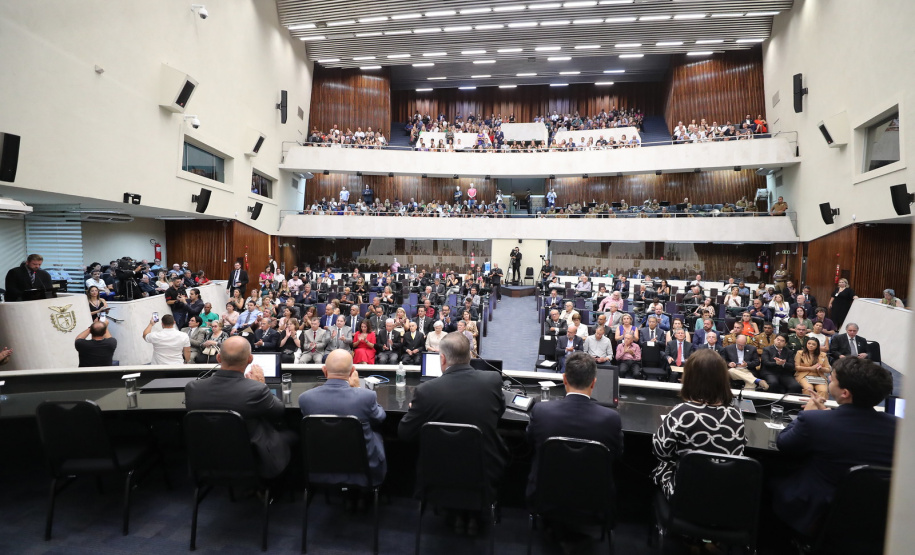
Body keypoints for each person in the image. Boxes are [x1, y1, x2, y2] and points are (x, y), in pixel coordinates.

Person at [398, 332, 508, 534]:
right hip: (483, 472)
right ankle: (472, 515)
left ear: (442, 358)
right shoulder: (492, 380)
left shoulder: (426, 391)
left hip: (438, 473)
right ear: (471, 356)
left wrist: (416, 408)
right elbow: (498, 413)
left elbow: (405, 433)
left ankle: (454, 512)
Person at [774, 357, 897, 537]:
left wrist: (807, 412)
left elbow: (783, 444)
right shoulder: (902, 429)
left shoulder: (814, 421)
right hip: (878, 521)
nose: (830, 380)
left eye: (833, 378)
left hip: (820, 515)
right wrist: (826, 416)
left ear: (845, 393)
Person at [185, 336, 295, 479]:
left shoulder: (192, 388)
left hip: (208, 455)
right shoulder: (256, 390)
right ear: (250, 360)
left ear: (218, 358)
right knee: (292, 434)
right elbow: (279, 411)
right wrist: (261, 384)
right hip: (251, 457)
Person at [526, 352, 622, 500]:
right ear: (593, 383)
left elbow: (530, 444)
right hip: (594, 501)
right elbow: (617, 455)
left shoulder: (540, 412)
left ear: (564, 379)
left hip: (546, 497)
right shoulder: (611, 420)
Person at [651, 349, 746, 499]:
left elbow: (660, 452)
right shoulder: (736, 414)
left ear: (690, 379)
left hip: (686, 495)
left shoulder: (682, 413)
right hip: (722, 496)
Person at [298, 349, 386, 487]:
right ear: (352, 371)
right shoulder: (366, 397)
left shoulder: (305, 399)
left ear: (324, 370)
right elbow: (380, 417)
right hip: (364, 471)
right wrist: (358, 389)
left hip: (319, 470)